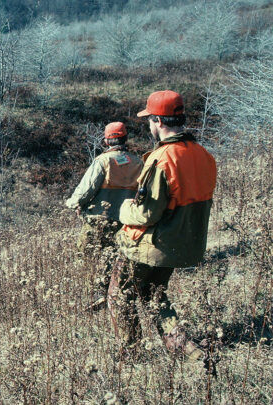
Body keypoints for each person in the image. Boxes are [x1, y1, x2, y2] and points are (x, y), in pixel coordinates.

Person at [108, 90, 217, 358]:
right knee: (153, 294)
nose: (149, 125)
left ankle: (131, 353)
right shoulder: (203, 155)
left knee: (118, 295)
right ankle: (186, 351)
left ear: (158, 121)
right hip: (183, 244)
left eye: (149, 120)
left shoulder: (162, 159)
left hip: (152, 245)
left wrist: (122, 210)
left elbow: (146, 213)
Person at [66, 122, 143, 306]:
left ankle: (94, 295)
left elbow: (86, 189)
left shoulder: (103, 161)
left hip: (98, 219)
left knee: (87, 256)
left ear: (106, 140)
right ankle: (111, 292)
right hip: (125, 221)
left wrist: (74, 203)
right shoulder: (138, 162)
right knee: (115, 257)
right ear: (125, 139)